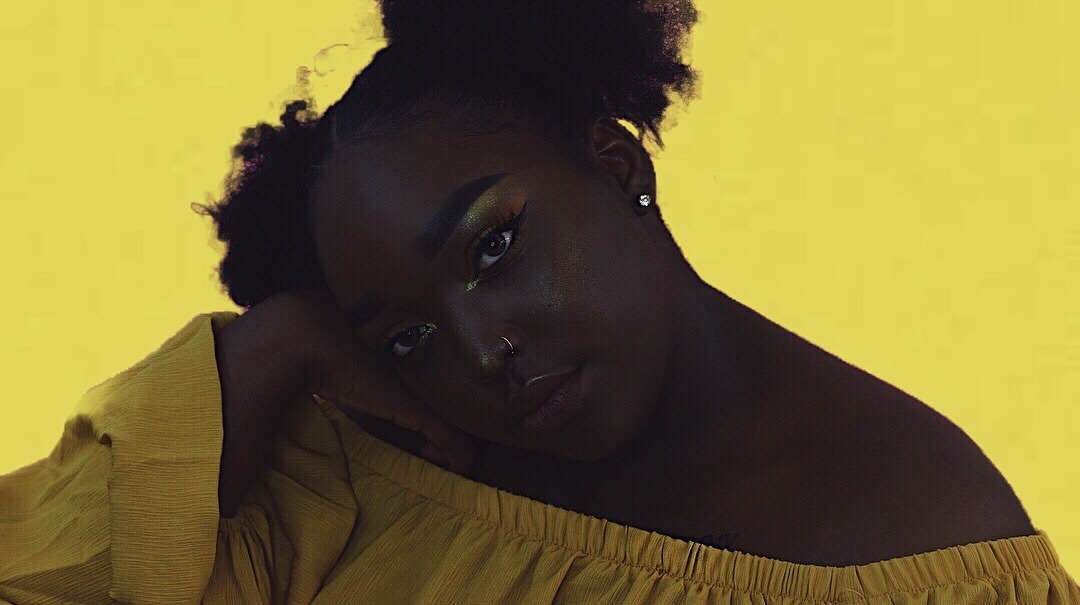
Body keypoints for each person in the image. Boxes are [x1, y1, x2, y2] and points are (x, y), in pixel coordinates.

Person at [2, 0, 1077, 603]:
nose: (480, 352)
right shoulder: (360, 463)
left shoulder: (921, 541)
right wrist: (277, 342)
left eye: (493, 247)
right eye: (407, 335)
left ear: (615, 164)